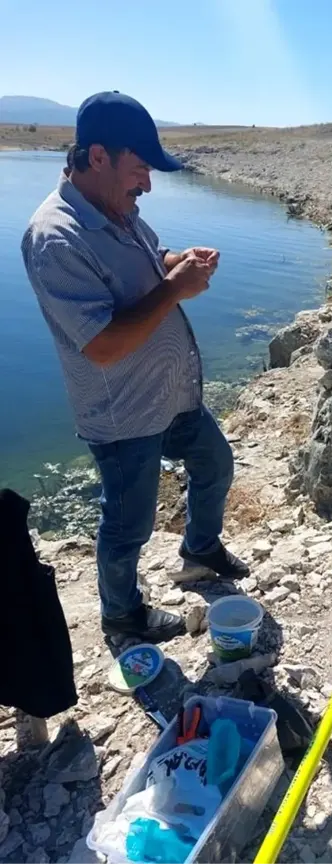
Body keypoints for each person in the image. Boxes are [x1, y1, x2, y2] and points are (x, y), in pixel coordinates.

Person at [22, 91, 249, 645]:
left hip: (172, 395)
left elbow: (152, 257)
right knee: (128, 527)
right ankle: (122, 617)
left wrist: (176, 262)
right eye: (140, 168)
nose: (147, 184)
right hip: (123, 414)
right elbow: (100, 346)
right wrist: (174, 291)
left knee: (215, 465)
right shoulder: (56, 237)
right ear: (97, 156)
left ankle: (199, 549)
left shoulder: (118, 210)